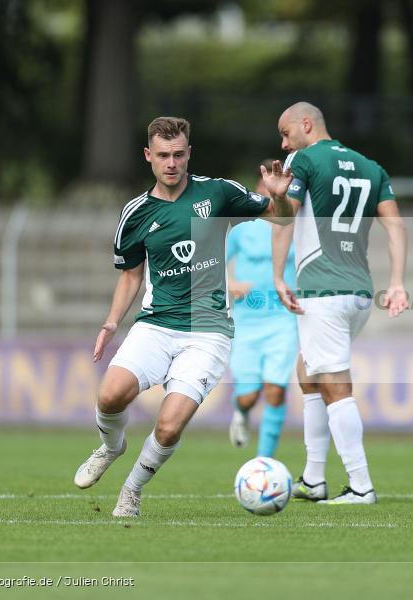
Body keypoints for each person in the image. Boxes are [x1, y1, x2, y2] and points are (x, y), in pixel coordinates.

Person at [73, 116, 293, 517]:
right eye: (162, 156)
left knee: (169, 425)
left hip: (208, 331)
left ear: (188, 153)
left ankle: (132, 490)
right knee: (109, 395)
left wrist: (278, 197)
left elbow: (280, 218)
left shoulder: (218, 193)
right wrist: (111, 322)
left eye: (178, 154)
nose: (171, 163)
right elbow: (131, 275)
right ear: (148, 157)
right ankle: (110, 447)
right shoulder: (136, 213)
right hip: (156, 323)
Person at [272, 101, 408, 505]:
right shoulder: (370, 166)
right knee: (308, 371)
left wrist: (278, 276)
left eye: (285, 133)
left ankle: (361, 485)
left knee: (334, 385)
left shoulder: (304, 159)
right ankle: (314, 479)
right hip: (359, 292)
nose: (283, 145)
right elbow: (396, 225)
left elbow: (285, 217)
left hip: (322, 290)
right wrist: (397, 282)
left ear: (306, 125)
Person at [226, 159, 299, 458]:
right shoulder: (242, 229)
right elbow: (212, 262)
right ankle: (241, 412)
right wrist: (231, 283)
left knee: (276, 390)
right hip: (246, 320)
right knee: (249, 395)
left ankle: (264, 462)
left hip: (282, 319)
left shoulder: (296, 224)